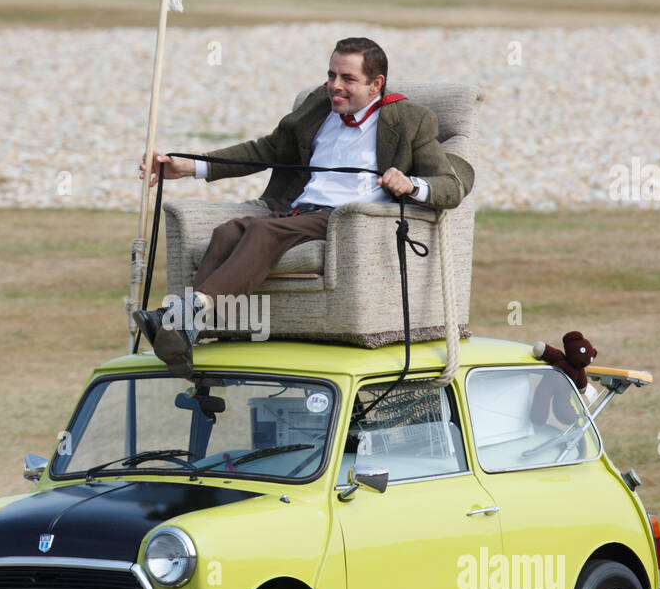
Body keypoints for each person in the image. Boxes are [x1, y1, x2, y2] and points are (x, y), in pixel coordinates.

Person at [135, 36, 473, 368]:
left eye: (347, 78)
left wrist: (410, 184)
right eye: (331, 75)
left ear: (375, 84)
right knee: (228, 232)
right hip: (297, 210)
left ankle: (180, 316)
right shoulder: (318, 106)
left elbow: (450, 186)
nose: (334, 85)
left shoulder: (411, 120)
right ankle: (186, 333)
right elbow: (264, 150)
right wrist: (190, 166)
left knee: (263, 234)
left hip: (346, 220)